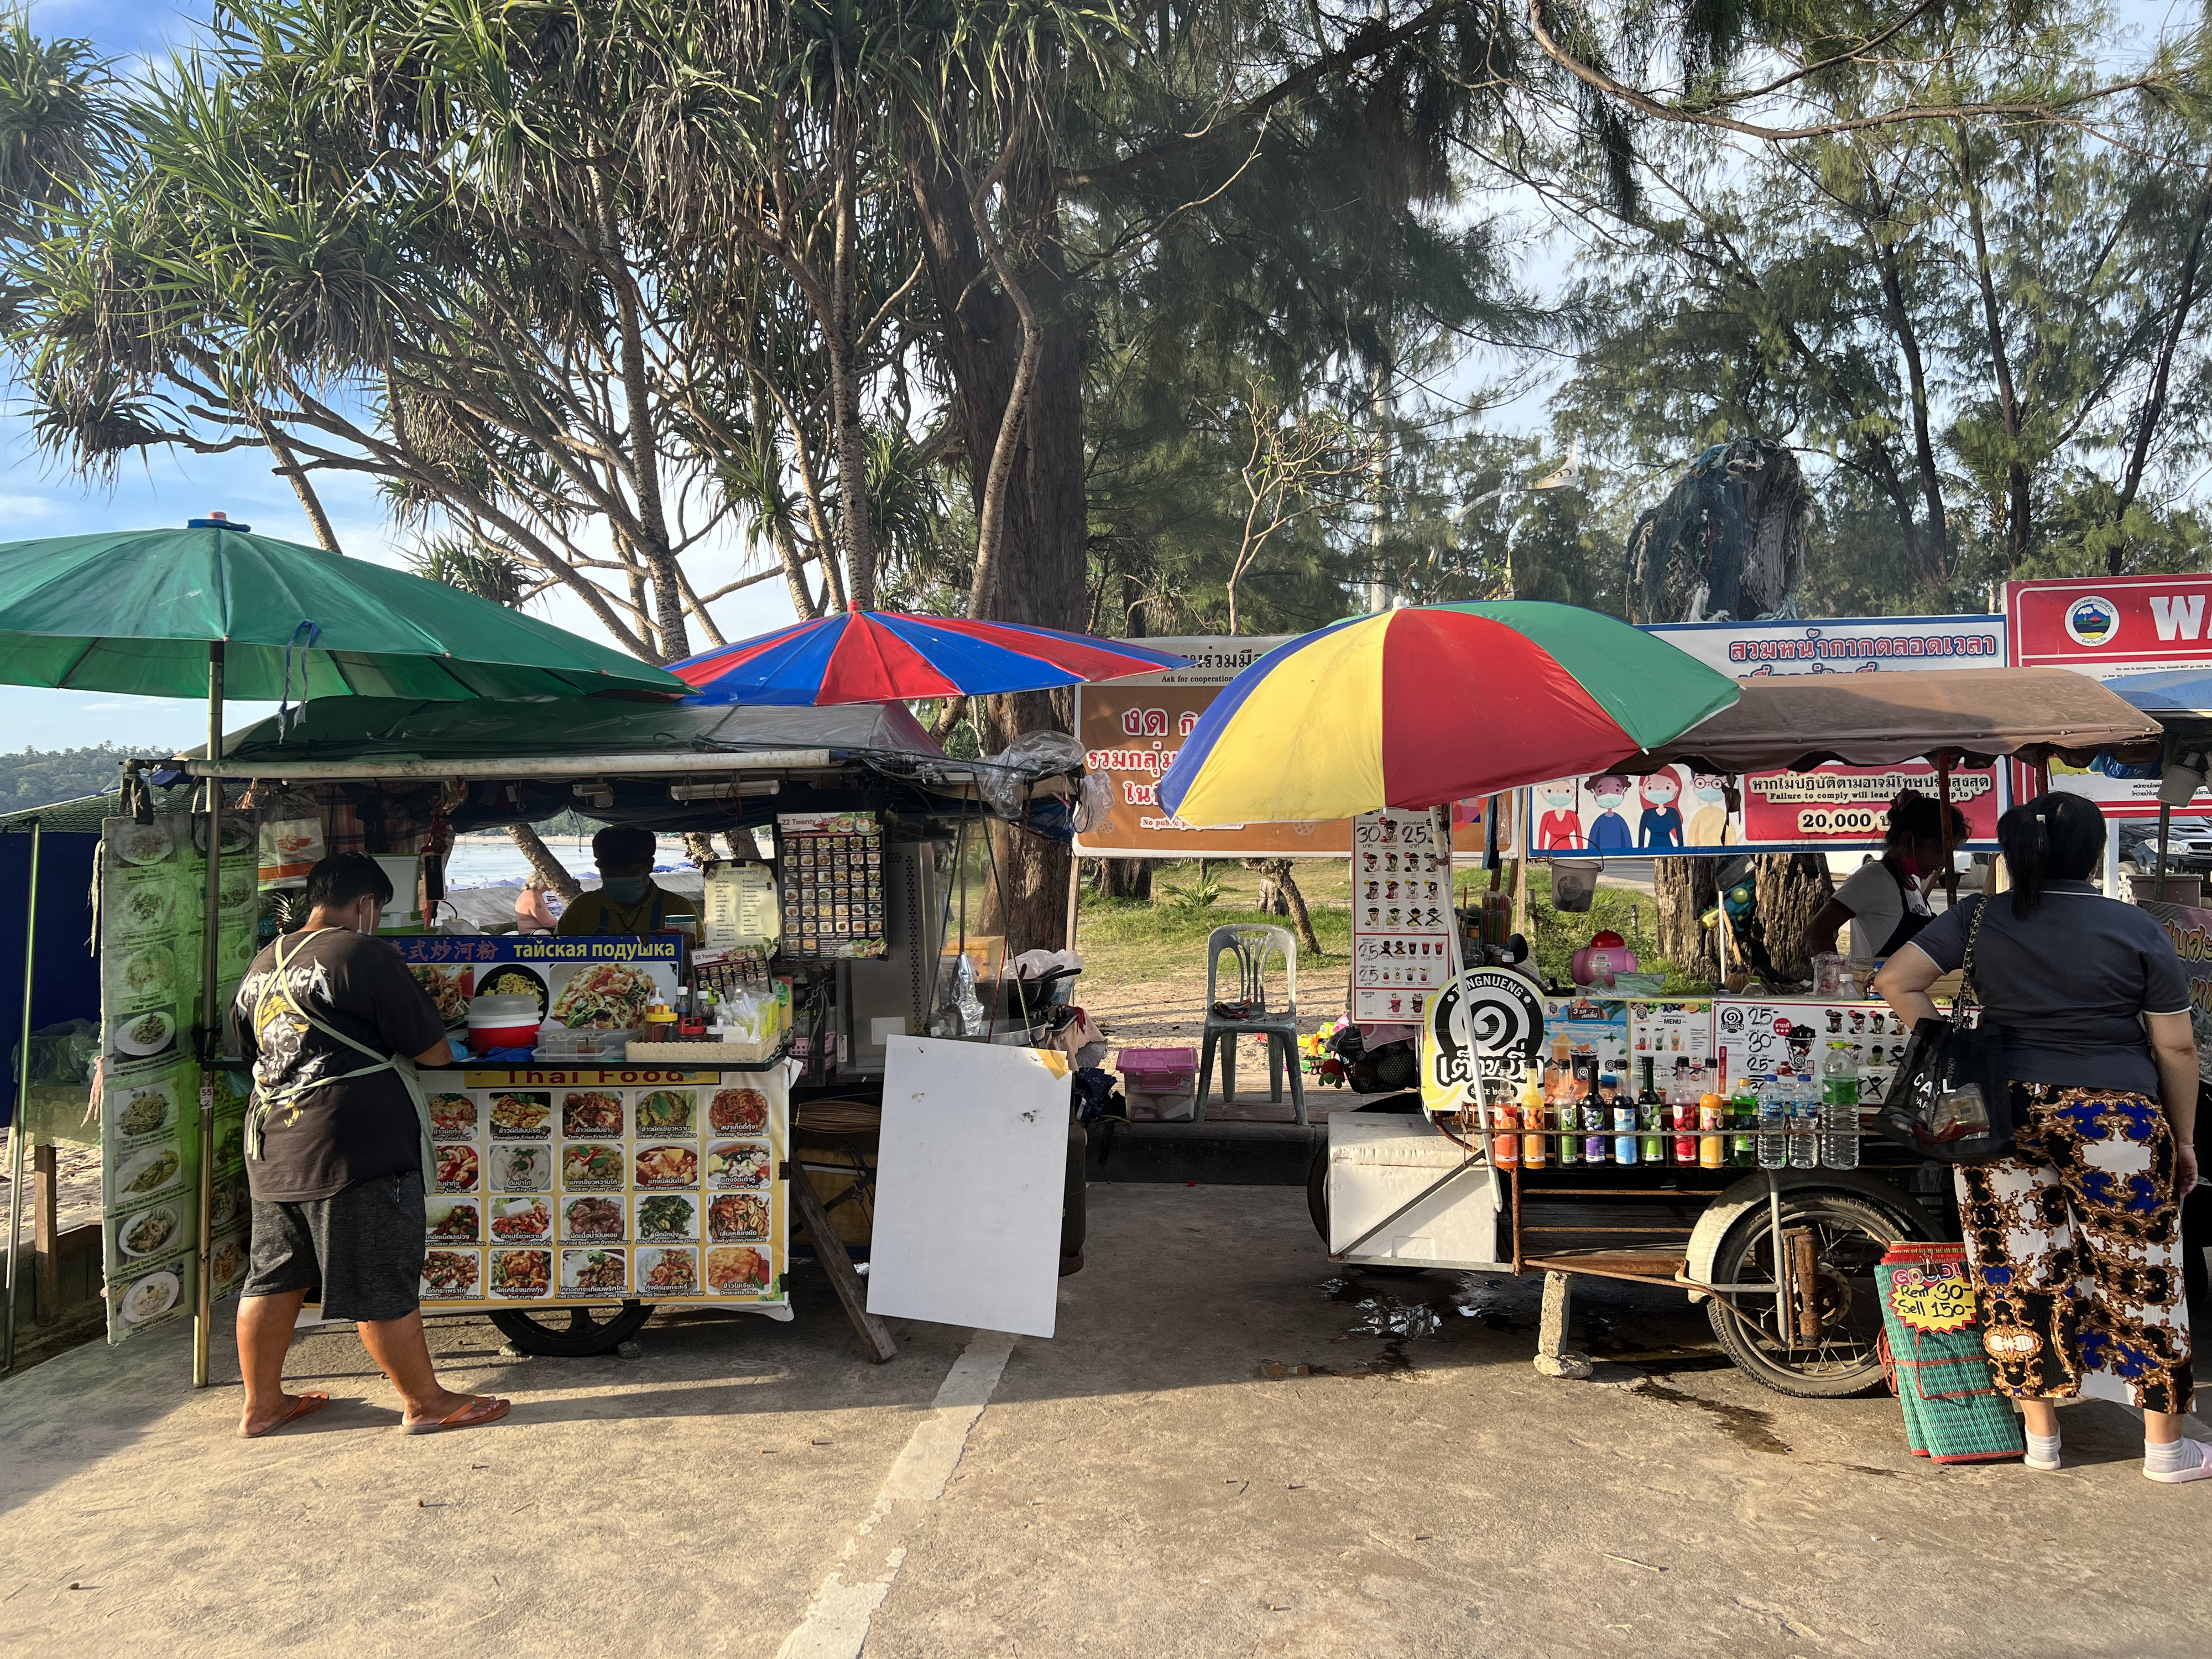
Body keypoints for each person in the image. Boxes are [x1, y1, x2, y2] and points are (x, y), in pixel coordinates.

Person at [1874, 793, 2206, 1481]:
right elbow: (2175, 1048)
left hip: (2002, 1113)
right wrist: (2182, 1140)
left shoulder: (1977, 916)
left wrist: (1946, 1041)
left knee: (2014, 1266)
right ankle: (2164, 1450)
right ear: (2090, 853)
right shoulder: (2134, 927)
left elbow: (1895, 980)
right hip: (2116, 1118)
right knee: (2141, 1273)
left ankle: (2041, 1441)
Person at [230, 854, 512, 1438]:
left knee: (275, 1277)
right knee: (381, 1275)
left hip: (273, 1139)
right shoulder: (361, 953)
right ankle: (425, 1401)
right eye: (378, 910)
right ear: (366, 905)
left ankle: (262, 1405)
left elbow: (253, 1056)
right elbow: (433, 1050)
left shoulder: (261, 965)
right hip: (352, 1144)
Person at [1808, 787, 1968, 967]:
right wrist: (1834, 981)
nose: (1943, 862)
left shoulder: (1912, 882)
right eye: (1939, 851)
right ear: (1908, 842)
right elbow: (1818, 930)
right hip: (1878, 992)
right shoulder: (1872, 879)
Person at [556, 825, 699, 937]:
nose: (618, 877)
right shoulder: (582, 908)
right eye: (609, 871)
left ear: (650, 866)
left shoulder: (679, 910)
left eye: (628, 871)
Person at [515, 871, 559, 935]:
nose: (553, 883)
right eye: (550, 880)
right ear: (543, 882)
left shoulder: (537, 895)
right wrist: (567, 923)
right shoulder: (532, 898)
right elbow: (547, 923)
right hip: (532, 934)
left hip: (543, 929)